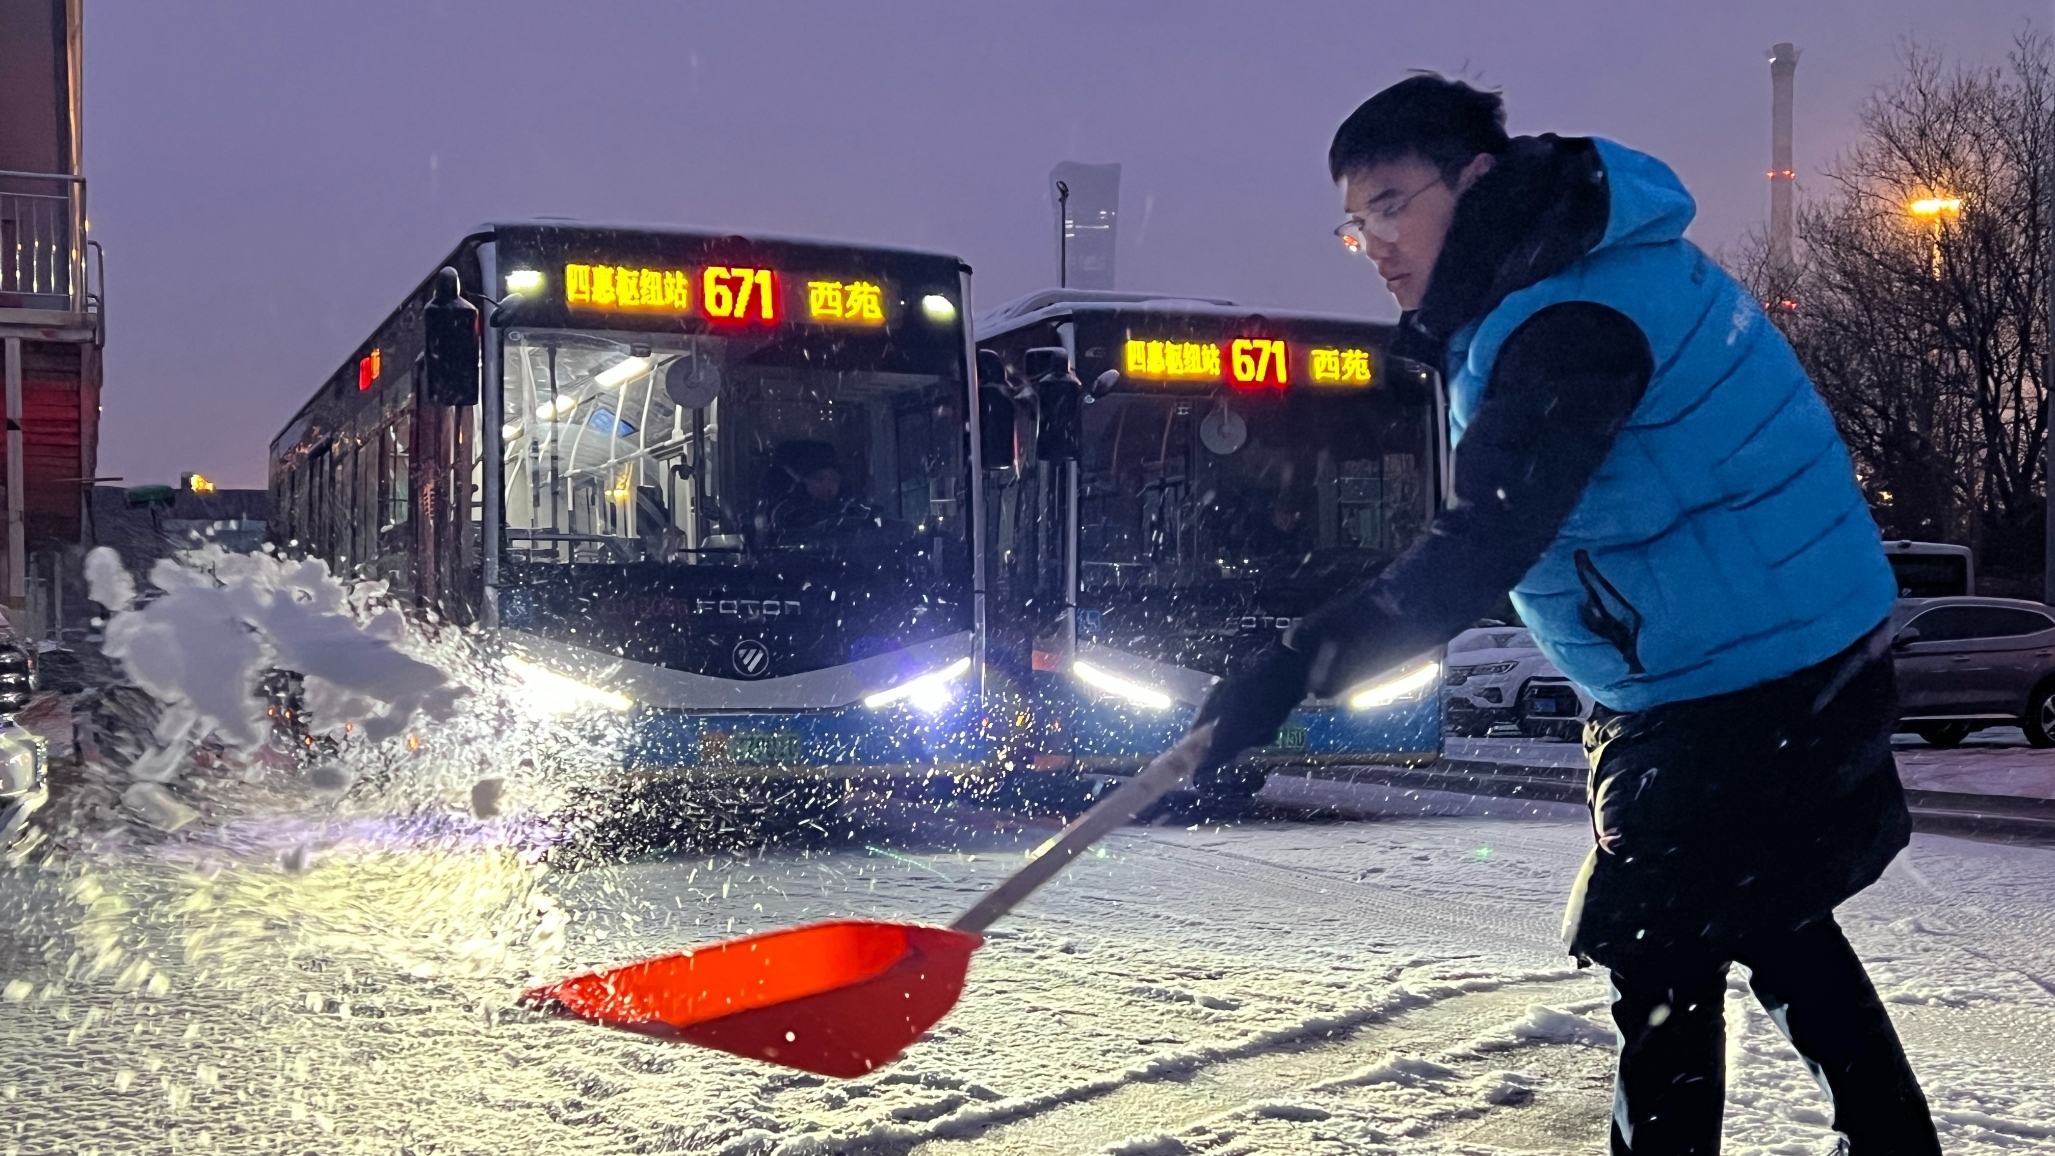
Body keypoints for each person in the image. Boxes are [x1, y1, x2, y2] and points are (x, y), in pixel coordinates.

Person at [1195, 75, 1939, 1155]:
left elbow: (1486, 542)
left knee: (1660, 949)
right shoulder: (1558, 279)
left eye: (1394, 204)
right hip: (1761, 658)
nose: (1378, 244)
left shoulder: (1569, 321)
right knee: (1771, 916)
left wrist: (1290, 670)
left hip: (1753, 679)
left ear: (1477, 178)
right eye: (1357, 225)